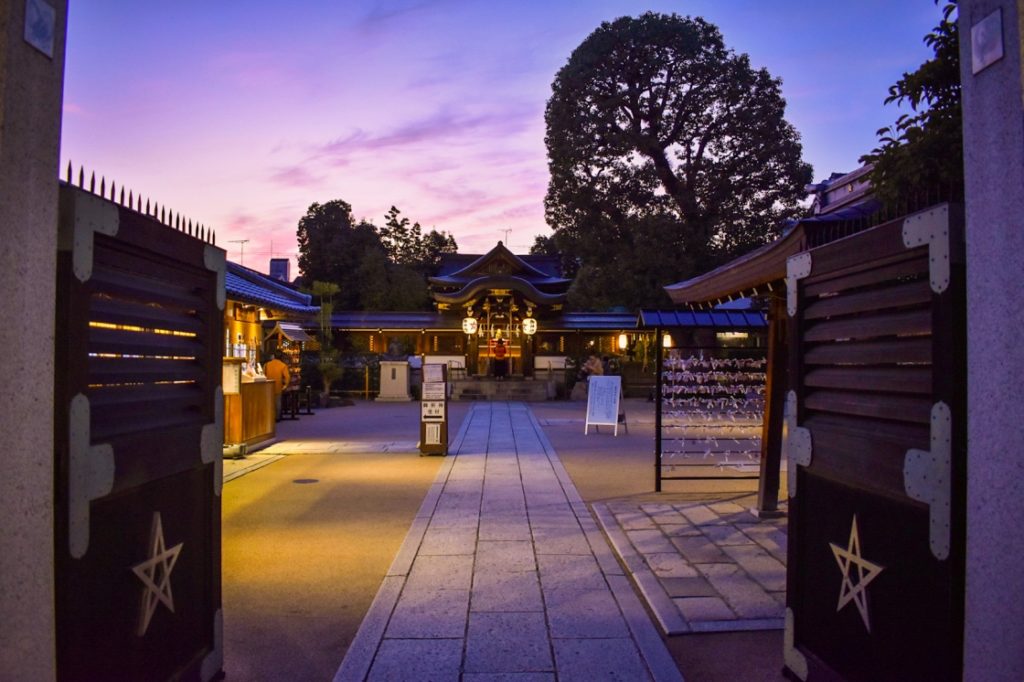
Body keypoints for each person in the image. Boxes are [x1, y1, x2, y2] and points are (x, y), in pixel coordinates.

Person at [264, 350, 290, 420]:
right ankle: (277, 417)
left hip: (268, 386)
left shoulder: (267, 365)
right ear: (281, 357)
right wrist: (285, 385)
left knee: (269, 402)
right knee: (278, 402)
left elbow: (263, 375)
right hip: (278, 386)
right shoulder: (283, 365)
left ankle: (269, 417)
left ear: (274, 356)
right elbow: (287, 377)